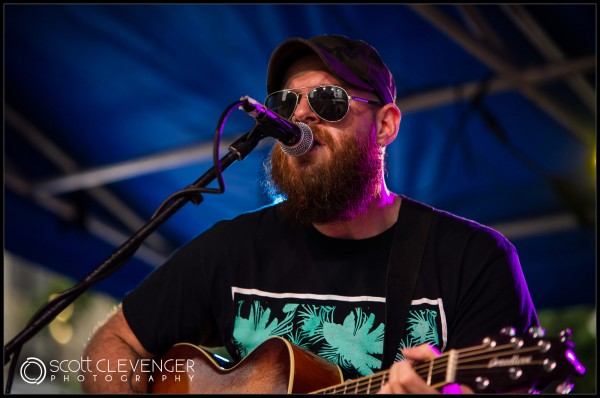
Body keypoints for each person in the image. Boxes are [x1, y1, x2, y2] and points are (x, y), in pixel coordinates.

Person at [81, 34, 538, 394]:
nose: (301, 117)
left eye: (327, 100)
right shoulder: (232, 250)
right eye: (284, 103)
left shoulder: (473, 259)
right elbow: (109, 346)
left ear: (385, 125)